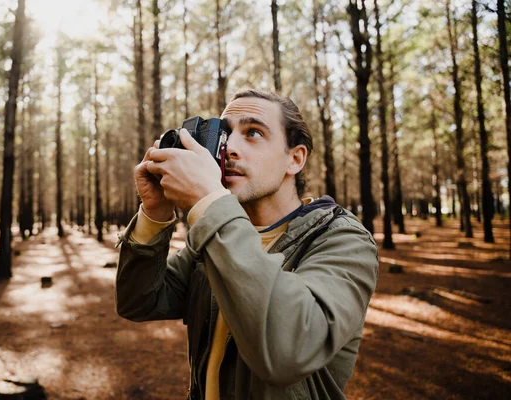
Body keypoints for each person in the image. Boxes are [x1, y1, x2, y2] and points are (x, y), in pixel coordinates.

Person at [115, 89, 379, 399]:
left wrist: (208, 201)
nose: (231, 148)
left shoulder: (343, 240)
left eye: (253, 133)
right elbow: (139, 301)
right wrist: (155, 211)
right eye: (227, 134)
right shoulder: (215, 233)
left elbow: (288, 352)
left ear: (295, 159)